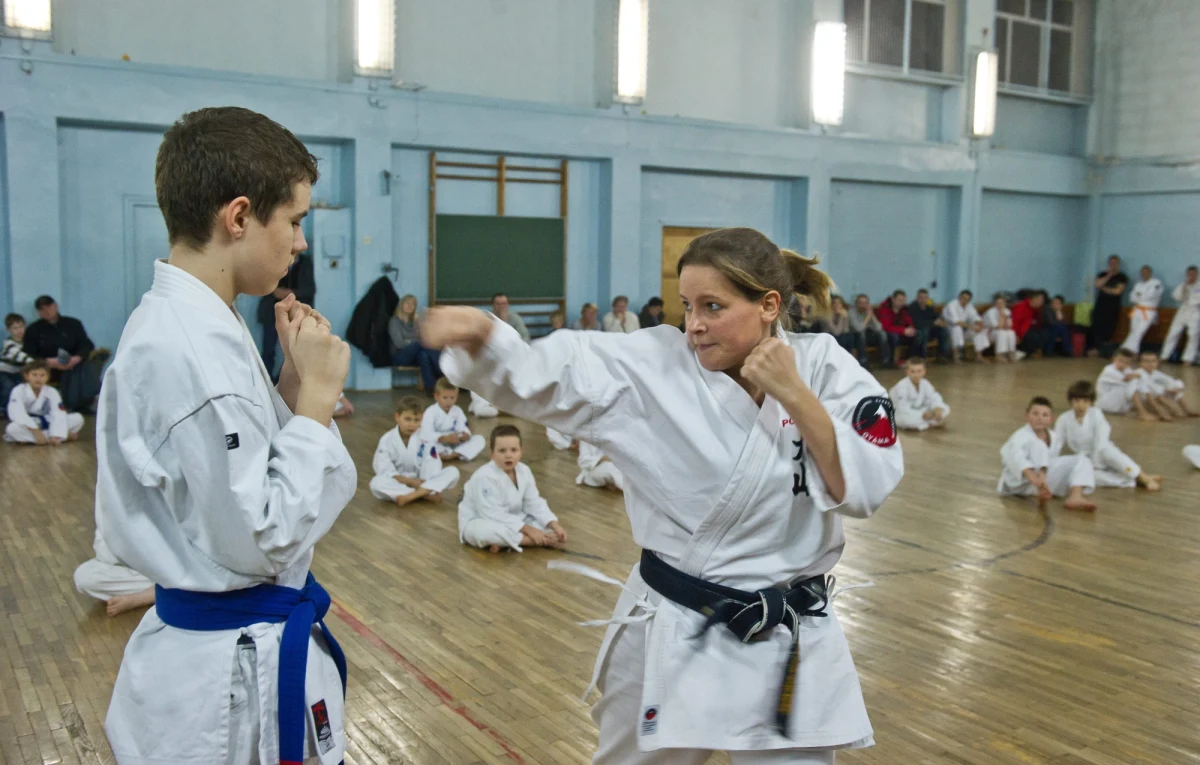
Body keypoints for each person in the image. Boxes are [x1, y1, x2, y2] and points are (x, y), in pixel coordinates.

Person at [424, 227, 903, 764]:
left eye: (713, 306)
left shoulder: (825, 368)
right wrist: (484, 339)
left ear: (769, 305)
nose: (694, 324)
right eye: (687, 305)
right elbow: (555, 370)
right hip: (678, 621)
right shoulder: (654, 364)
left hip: (786, 634)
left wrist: (793, 394)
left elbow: (866, 489)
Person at [94, 107, 357, 765]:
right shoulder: (188, 346)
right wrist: (319, 402)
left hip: (227, 651)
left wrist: (293, 385)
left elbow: (238, 475)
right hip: (225, 688)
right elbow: (263, 537)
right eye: (294, 220)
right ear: (239, 217)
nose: (301, 243)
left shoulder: (204, 318)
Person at [457, 425, 567, 553]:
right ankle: (529, 541)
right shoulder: (483, 476)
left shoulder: (524, 470)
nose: (508, 455)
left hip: (515, 519)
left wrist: (554, 524)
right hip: (480, 520)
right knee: (485, 533)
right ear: (492, 454)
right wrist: (529, 530)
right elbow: (491, 514)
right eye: (502, 451)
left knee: (547, 528)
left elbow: (533, 502)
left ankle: (505, 542)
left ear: (521, 451)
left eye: (514, 450)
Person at [1055, 381, 1161, 491]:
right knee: (1091, 477)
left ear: (1091, 402)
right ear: (1071, 401)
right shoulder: (1064, 419)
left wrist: (1095, 460)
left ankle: (1142, 476)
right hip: (1084, 457)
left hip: (1101, 451)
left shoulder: (1096, 414)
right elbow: (1057, 442)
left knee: (1112, 453)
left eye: (1085, 401)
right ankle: (1132, 481)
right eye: (1077, 401)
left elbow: (1101, 439)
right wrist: (1052, 461)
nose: (1080, 405)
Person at [998, 396, 1097, 512]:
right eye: (1035, 414)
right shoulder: (1020, 437)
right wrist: (1037, 482)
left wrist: (1043, 481)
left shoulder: (1054, 437)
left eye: (1045, 415)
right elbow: (1019, 461)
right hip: (1018, 485)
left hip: (1040, 480)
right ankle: (1041, 490)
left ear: (1051, 419)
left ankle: (1076, 496)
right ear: (1027, 416)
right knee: (1038, 445)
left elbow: (1049, 464)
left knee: (1082, 460)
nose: (1040, 418)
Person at [370, 396, 460, 506]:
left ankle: (410, 496)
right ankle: (424, 494)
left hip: (422, 482)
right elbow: (385, 471)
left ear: (422, 419)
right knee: (376, 483)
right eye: (407, 419)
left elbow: (432, 465)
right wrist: (413, 483)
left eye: (416, 420)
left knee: (453, 471)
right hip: (399, 482)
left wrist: (423, 482)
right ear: (397, 417)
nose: (411, 424)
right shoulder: (387, 440)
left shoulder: (426, 437)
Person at [23, 295, 106, 412]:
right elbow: (29, 353)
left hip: (74, 364)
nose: (46, 311)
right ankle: (72, 404)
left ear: (55, 306)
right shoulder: (33, 330)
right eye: (42, 309)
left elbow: (86, 345)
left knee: (87, 367)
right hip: (47, 367)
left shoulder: (73, 324)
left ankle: (84, 402)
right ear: (38, 312)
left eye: (49, 307)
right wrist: (48, 362)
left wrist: (76, 358)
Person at [256, 250, 315, 379]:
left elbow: (310, 289)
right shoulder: (273, 260)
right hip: (271, 312)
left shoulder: (305, 262)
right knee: (268, 349)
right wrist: (276, 291)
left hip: (295, 314)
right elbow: (262, 283)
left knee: (293, 351)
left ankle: (281, 381)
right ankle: (265, 381)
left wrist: (291, 293)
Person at [73, 530, 156, 617]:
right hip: (141, 572)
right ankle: (156, 593)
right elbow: (105, 556)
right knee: (84, 577)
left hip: (159, 566)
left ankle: (147, 596)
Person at [4, 360, 85, 444]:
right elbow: (18, 413)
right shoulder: (18, 390)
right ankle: (62, 437)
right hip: (29, 424)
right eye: (34, 375)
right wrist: (35, 430)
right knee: (12, 428)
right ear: (26, 376)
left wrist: (56, 434)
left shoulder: (52, 391)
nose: (38, 379)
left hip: (47, 421)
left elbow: (58, 413)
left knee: (78, 418)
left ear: (48, 377)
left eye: (42, 375)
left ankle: (49, 438)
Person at [420, 377, 486, 461]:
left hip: (455, 442)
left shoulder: (457, 410)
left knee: (479, 439)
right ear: (436, 396)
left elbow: (463, 427)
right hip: (438, 443)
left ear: (456, 397)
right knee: (423, 444)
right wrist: (444, 438)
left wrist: (465, 434)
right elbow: (426, 434)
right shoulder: (430, 412)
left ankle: (452, 455)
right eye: (445, 398)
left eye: (452, 398)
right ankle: (455, 453)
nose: (449, 401)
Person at [389, 293, 442, 391]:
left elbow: (422, 337)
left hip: (414, 355)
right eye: (407, 303)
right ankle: (443, 372)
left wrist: (410, 339)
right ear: (401, 305)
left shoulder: (415, 321)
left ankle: (431, 388)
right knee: (421, 344)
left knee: (423, 355)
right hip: (399, 356)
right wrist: (414, 342)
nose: (410, 306)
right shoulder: (394, 321)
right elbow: (399, 343)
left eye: (413, 304)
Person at [888, 357, 949, 431]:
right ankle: (930, 424)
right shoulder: (902, 386)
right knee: (906, 421)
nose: (916, 375)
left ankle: (926, 422)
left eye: (919, 371)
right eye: (912, 371)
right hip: (900, 413)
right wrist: (922, 414)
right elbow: (902, 408)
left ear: (924, 371)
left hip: (918, 409)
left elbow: (934, 397)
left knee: (945, 408)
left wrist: (937, 408)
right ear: (907, 372)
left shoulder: (925, 383)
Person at [1096, 348, 1159, 421]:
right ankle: (1142, 412)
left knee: (1139, 383)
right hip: (1106, 404)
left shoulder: (1127, 369)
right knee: (1133, 383)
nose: (1122, 364)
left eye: (1126, 362)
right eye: (1120, 360)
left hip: (1120, 407)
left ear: (1130, 363)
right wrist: (1137, 375)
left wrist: (1138, 376)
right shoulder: (1109, 369)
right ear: (1114, 359)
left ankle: (1149, 410)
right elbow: (1126, 378)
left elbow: (1134, 377)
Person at [1136, 351, 1197, 418]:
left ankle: (1186, 409)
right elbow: (1150, 386)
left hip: (1154, 396)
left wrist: (1176, 388)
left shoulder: (1155, 372)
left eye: (1153, 361)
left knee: (1172, 387)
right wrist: (1167, 390)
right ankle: (1169, 410)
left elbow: (1171, 381)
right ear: (1140, 363)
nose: (1150, 364)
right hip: (1143, 400)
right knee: (1158, 394)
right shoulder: (1139, 372)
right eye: (1146, 361)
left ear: (1157, 363)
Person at [1160, 265, 1199, 365]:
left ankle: (1188, 359)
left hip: (1195, 311)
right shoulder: (1183, 284)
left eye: (1193, 274)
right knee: (1173, 333)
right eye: (1189, 274)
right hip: (1183, 310)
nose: (1191, 276)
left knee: (1193, 335)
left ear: (1197, 274)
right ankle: (1164, 356)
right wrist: (1185, 286)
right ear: (1187, 274)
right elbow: (1176, 296)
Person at [1120, 265, 1164, 354]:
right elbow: (1132, 297)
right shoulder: (1138, 285)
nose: (1144, 274)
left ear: (1150, 273)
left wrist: (1139, 296)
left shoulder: (1156, 283)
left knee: (1140, 331)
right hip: (1137, 310)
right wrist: (1140, 296)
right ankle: (1128, 350)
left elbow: (1151, 295)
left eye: (1146, 272)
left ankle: (1129, 350)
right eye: (1142, 272)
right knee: (1133, 331)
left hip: (1149, 311)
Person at [1092, 254, 1128, 355]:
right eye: (1111, 263)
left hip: (1113, 306)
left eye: (1115, 263)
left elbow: (1117, 291)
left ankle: (1104, 349)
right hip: (1100, 304)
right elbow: (1097, 284)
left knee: (1110, 327)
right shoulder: (1102, 274)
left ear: (1118, 264)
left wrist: (1104, 288)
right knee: (1097, 325)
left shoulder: (1122, 277)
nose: (1113, 265)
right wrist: (1109, 275)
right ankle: (1096, 348)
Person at [940, 290, 989, 363]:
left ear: (969, 300)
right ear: (959, 297)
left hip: (964, 329)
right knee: (957, 329)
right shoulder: (952, 305)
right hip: (949, 330)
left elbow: (975, 317)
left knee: (979, 330)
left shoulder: (969, 306)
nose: (964, 300)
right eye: (962, 297)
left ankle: (979, 356)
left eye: (966, 299)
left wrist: (979, 324)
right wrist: (971, 326)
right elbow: (957, 322)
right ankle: (956, 357)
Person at [2, 312, 34, 409]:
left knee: (23, 387)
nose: (19, 330)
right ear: (8, 330)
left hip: (17, 372)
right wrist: (35, 363)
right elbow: (19, 356)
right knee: (8, 386)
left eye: (21, 326)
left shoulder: (28, 342)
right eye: (15, 328)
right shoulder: (8, 344)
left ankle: (23, 407)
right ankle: (4, 407)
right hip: (4, 372)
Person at [908, 289, 950, 361]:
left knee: (944, 331)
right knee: (923, 331)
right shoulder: (912, 307)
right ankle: (921, 357)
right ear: (917, 298)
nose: (923, 300)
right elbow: (918, 323)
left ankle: (942, 355)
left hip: (929, 330)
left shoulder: (928, 307)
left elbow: (936, 317)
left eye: (925, 298)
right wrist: (933, 323)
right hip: (917, 331)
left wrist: (941, 322)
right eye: (921, 297)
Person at [847, 293, 886, 368]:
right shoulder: (851, 312)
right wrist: (867, 317)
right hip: (855, 336)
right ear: (856, 304)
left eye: (865, 303)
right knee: (861, 335)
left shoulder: (868, 312)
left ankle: (885, 361)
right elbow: (858, 329)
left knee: (882, 334)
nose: (863, 305)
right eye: (861, 303)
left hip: (867, 334)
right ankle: (863, 361)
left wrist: (872, 316)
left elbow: (879, 328)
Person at [878, 289, 916, 366]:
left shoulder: (904, 309)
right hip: (888, 333)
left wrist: (911, 329)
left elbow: (909, 321)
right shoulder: (884, 308)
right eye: (900, 300)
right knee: (894, 336)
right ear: (893, 299)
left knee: (917, 334)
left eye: (903, 301)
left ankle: (911, 359)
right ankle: (892, 360)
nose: (902, 303)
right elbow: (885, 327)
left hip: (901, 331)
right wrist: (903, 330)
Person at [828, 295, 865, 366]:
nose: (837, 305)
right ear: (831, 305)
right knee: (844, 338)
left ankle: (858, 362)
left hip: (842, 337)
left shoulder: (844, 313)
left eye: (839, 303)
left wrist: (845, 318)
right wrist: (842, 317)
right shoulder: (826, 316)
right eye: (835, 303)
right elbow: (836, 332)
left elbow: (846, 330)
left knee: (850, 336)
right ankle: (843, 363)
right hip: (829, 337)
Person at [982, 294, 1019, 362]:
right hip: (987, 333)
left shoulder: (1007, 311)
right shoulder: (990, 312)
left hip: (999, 331)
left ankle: (1011, 354)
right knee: (1001, 333)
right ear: (994, 304)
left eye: (1002, 303)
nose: (1000, 305)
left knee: (1011, 332)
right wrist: (1001, 315)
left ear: (1005, 303)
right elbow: (999, 327)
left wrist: (1005, 316)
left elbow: (1008, 326)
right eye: (998, 303)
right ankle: (999, 355)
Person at [1012, 291, 1049, 356]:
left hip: (1033, 328)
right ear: (1034, 299)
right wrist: (1016, 335)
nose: (1041, 303)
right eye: (1040, 300)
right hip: (1022, 331)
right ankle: (1026, 352)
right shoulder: (1021, 306)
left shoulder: (1038, 309)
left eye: (1042, 301)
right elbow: (1015, 322)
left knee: (1045, 333)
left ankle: (1036, 351)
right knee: (1033, 336)